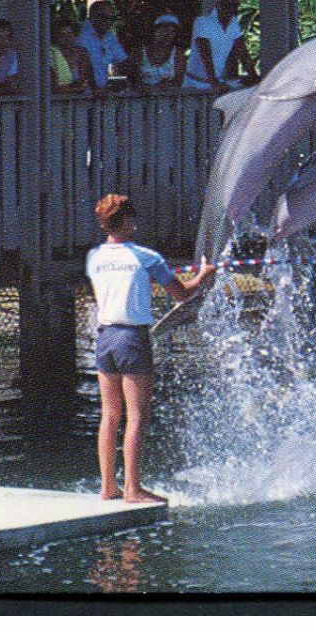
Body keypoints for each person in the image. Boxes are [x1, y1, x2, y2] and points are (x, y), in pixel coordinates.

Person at [87, 193, 214, 504]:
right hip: (131, 337)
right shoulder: (146, 257)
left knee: (110, 415)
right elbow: (182, 294)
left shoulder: (94, 257)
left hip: (104, 337)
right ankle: (132, 488)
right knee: (137, 416)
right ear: (128, 221)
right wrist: (203, 275)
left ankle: (108, 487)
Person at [184, 0, 256, 90]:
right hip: (194, 85)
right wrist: (214, 82)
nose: (231, 9)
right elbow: (205, 53)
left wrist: (255, 78)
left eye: (234, 5)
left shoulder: (234, 23)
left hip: (216, 84)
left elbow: (242, 51)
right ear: (218, 5)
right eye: (226, 5)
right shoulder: (202, 22)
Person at [76, 0, 128, 92]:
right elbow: (84, 67)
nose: (108, 22)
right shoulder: (81, 36)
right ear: (92, 16)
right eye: (104, 18)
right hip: (84, 95)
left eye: (112, 19)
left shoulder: (110, 36)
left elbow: (120, 61)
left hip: (104, 94)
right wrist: (95, 88)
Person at [137, 14, 186, 90]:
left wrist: (168, 84)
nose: (168, 34)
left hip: (169, 98)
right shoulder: (140, 51)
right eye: (164, 29)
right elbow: (132, 78)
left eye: (172, 31)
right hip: (141, 99)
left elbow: (179, 80)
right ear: (155, 31)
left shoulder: (178, 53)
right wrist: (142, 86)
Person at [51, 17, 92, 94]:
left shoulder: (82, 54)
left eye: (70, 34)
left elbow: (87, 81)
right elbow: (53, 88)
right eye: (62, 35)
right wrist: (76, 88)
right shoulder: (51, 55)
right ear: (55, 37)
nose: (67, 39)